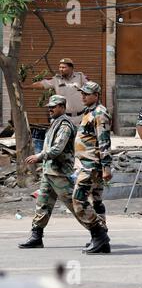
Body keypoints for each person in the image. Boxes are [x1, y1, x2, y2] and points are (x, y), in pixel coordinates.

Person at [18, 95, 90, 249]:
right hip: (49, 172)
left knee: (76, 204)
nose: (50, 109)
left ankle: (98, 233)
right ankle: (36, 236)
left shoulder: (65, 125)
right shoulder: (55, 123)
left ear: (63, 107)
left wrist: (39, 156)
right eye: (49, 106)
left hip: (60, 173)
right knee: (42, 204)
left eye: (54, 106)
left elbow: (57, 149)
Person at [73, 81, 112, 254]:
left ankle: (100, 235)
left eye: (86, 94)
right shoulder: (89, 112)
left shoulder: (99, 113)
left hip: (92, 165)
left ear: (96, 95)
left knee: (79, 199)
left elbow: (104, 141)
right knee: (96, 201)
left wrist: (107, 167)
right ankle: (100, 241)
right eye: (82, 93)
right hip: (86, 164)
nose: (83, 96)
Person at [28, 58, 88, 125]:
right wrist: (25, 86)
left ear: (71, 68)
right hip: (65, 118)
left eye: (63, 67)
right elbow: (42, 84)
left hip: (81, 117)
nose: (61, 69)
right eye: (60, 67)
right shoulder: (56, 79)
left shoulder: (80, 76)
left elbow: (91, 86)